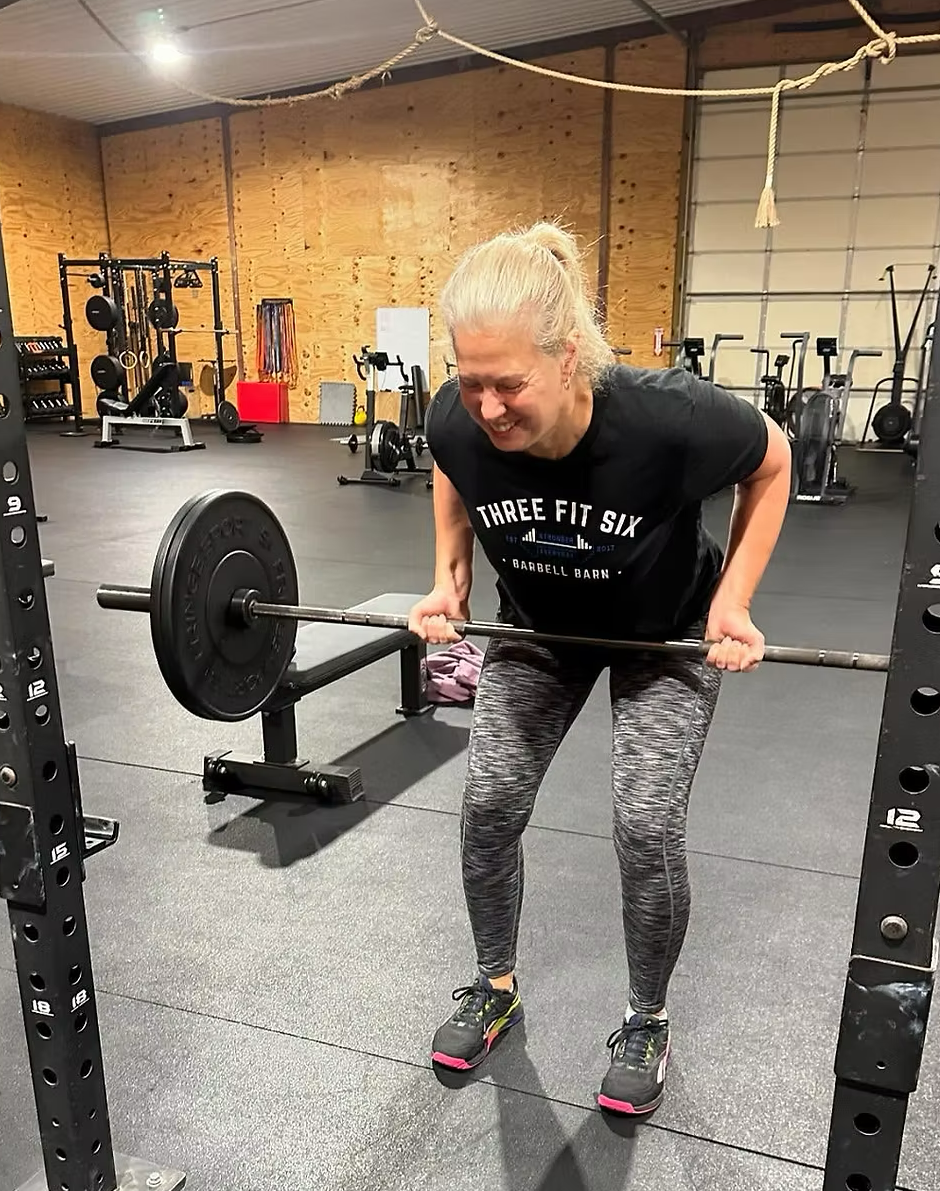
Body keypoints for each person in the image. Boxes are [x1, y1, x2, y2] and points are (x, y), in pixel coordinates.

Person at [408, 221, 791, 1116]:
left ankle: (647, 1017)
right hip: (540, 629)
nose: (488, 407)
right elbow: (450, 461)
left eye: (509, 384)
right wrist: (448, 575)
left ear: (569, 355)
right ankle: (494, 984)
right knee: (491, 802)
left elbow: (770, 463)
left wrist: (732, 600)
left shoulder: (668, 416)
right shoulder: (454, 419)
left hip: (663, 638)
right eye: (472, 383)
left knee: (644, 825)